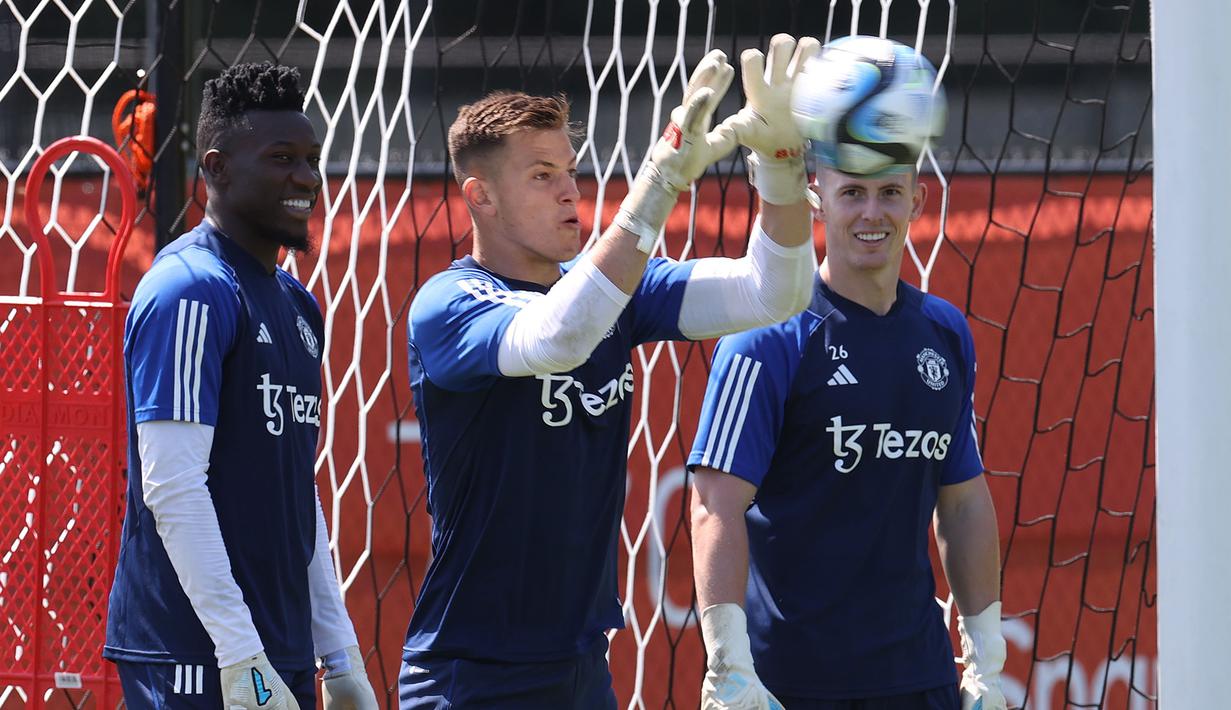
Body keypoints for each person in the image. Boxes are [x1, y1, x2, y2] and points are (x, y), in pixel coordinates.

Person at [400, 35, 821, 709]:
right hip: (471, 674)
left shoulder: (606, 287)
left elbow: (774, 293)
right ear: (481, 196)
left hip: (581, 666)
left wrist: (780, 168)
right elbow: (559, 336)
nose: (570, 190)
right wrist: (659, 181)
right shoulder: (448, 303)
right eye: (542, 176)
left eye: (570, 171)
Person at [104, 61, 379, 710]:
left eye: (311, 160)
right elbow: (173, 488)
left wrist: (339, 652)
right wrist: (239, 654)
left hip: (277, 653)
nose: (307, 178)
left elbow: (296, 490)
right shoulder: (189, 289)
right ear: (218, 168)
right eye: (282, 158)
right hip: (197, 657)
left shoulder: (298, 304)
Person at [687, 159, 1008, 706]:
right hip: (787, 684)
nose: (871, 212)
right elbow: (715, 505)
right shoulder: (765, 337)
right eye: (853, 192)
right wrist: (729, 666)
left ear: (917, 201)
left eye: (889, 192)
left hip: (919, 678)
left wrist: (987, 664)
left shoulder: (946, 332)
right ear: (817, 199)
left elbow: (963, 503)